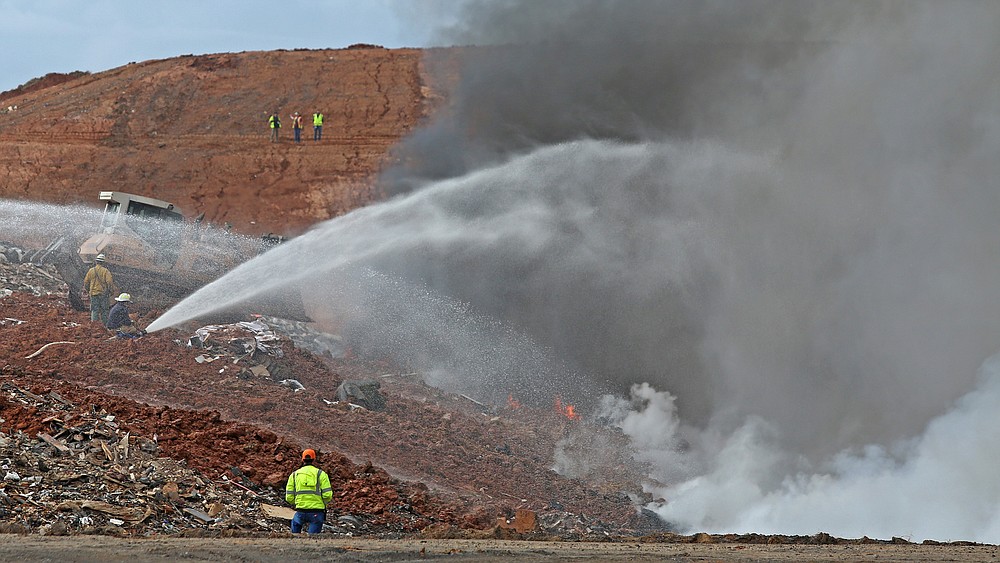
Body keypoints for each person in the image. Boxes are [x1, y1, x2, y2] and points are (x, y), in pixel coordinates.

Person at [285, 449, 333, 534]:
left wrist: (298, 503)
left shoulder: (294, 475)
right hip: (317, 512)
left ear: (302, 459)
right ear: (314, 459)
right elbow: (327, 495)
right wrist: (322, 503)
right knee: (313, 540)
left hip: (300, 511)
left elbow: (289, 497)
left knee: (294, 536)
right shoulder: (321, 474)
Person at [82, 254, 119, 324]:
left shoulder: (91, 271)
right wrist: (111, 291)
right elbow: (109, 282)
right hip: (103, 294)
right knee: (104, 310)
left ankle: (94, 325)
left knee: (94, 310)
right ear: (103, 262)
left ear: (96, 262)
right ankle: (104, 325)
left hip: (93, 294)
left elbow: (86, 282)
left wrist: (88, 290)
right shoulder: (106, 271)